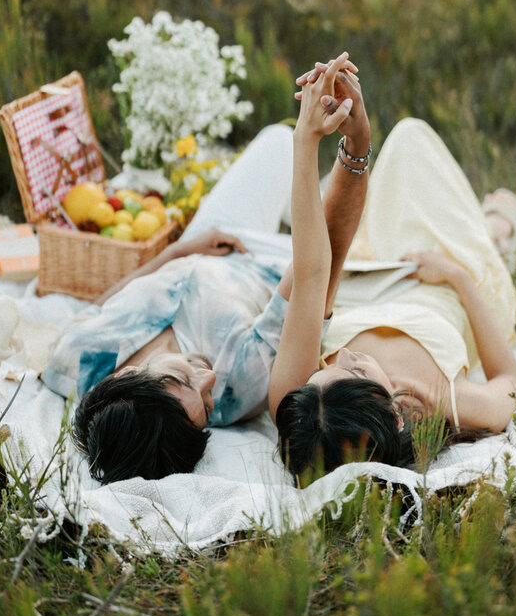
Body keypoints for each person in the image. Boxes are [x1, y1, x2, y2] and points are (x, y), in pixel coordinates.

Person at [42, 53, 371, 482]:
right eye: (208, 402)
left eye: (184, 377)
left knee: (273, 142)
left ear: (126, 378)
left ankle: (305, 190)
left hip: (205, 242)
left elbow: (98, 308)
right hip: (273, 259)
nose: (210, 375)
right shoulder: (243, 381)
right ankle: (327, 195)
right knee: (360, 225)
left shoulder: (75, 360)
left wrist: (173, 253)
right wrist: (356, 146)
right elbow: (318, 262)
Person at [268, 60, 516, 479]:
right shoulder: (449, 400)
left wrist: (317, 140)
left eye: (331, 368)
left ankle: (482, 226)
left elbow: (313, 271)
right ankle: (498, 229)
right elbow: (508, 379)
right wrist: (458, 278)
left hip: (369, 271)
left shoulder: (301, 401)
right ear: (396, 415)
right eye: (356, 371)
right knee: (411, 139)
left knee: (393, 194)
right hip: (440, 281)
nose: (347, 353)